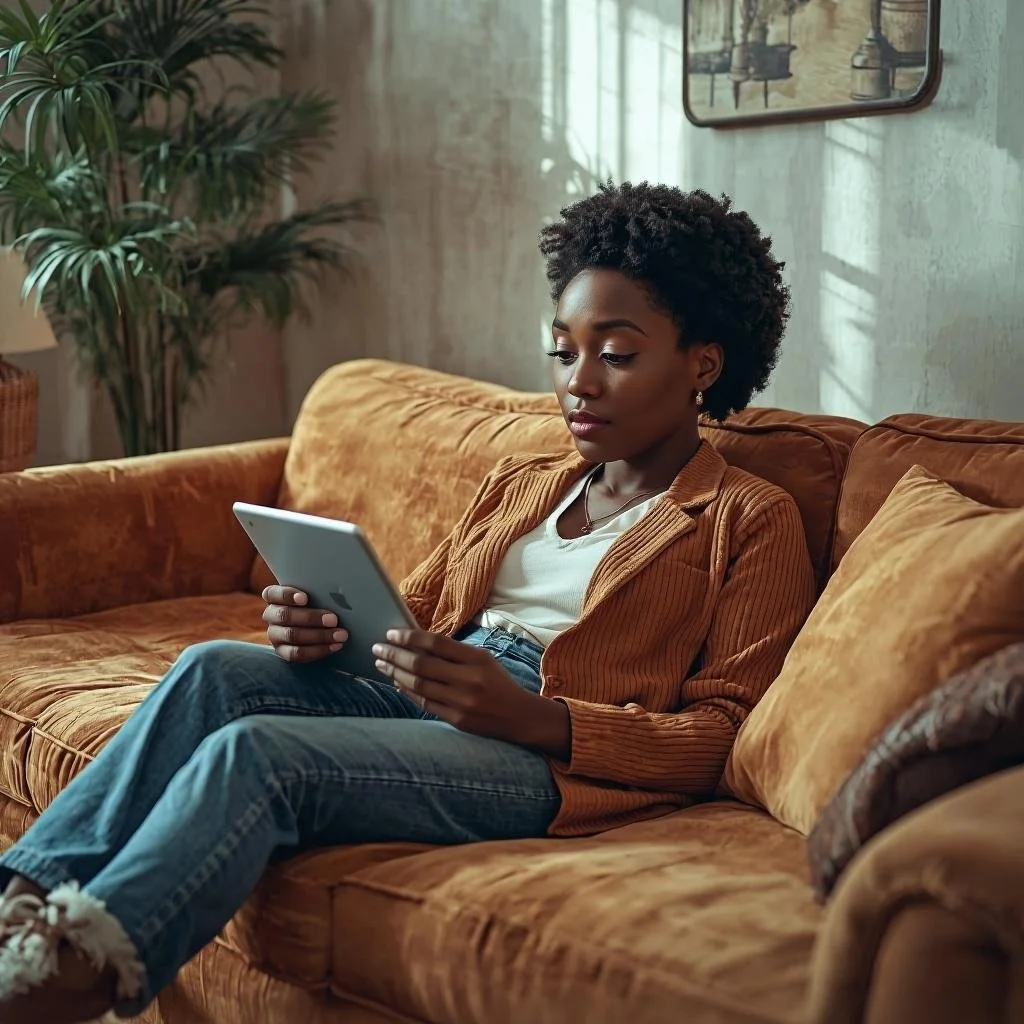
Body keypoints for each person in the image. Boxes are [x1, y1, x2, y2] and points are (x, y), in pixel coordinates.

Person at [0, 182, 815, 1023]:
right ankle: (14, 915)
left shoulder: (747, 518)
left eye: (615, 354)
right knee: (213, 669)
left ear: (702, 365)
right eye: (563, 351)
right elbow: (415, 610)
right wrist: (319, 633)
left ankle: (62, 982)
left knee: (261, 754)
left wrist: (535, 717)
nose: (578, 383)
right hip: (427, 690)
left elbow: (722, 736)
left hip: (542, 755)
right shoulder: (525, 481)